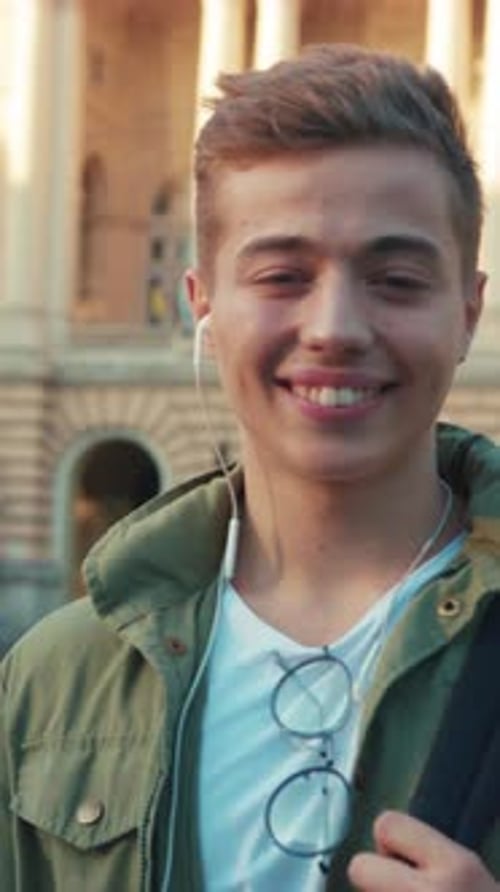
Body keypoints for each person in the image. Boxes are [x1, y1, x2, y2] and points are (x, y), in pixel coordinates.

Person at [1, 43, 499, 892]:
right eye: (282, 275)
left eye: (395, 279)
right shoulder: (55, 680)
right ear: (202, 304)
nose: (335, 328)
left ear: (469, 310)